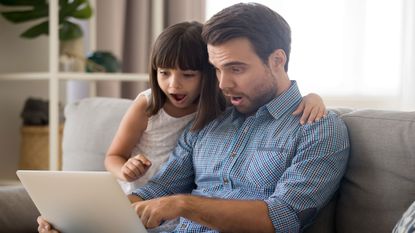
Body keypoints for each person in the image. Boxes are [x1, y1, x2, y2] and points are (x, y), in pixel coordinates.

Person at [37, 4, 347, 232]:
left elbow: (284, 217)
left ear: (277, 60)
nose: (223, 84)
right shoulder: (209, 122)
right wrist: (76, 220)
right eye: (216, 69)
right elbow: (156, 191)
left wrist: (184, 205)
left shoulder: (317, 130)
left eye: (236, 68)